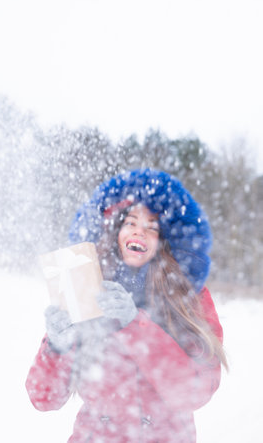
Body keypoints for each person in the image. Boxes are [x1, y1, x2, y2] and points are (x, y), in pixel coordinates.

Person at [26, 168, 227, 443]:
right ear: (116, 232)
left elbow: (196, 389)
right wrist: (56, 347)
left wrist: (136, 326)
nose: (139, 232)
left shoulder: (188, 296)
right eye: (130, 222)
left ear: (164, 242)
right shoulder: (86, 287)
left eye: (151, 227)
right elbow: (43, 397)